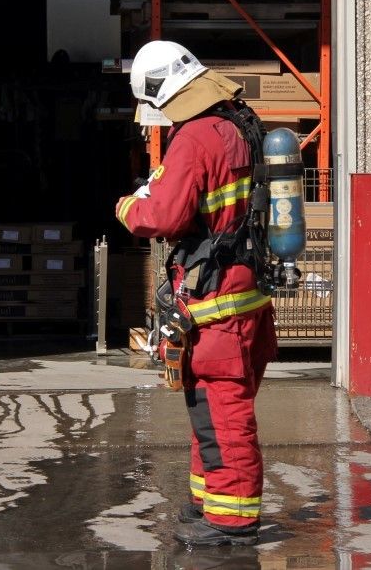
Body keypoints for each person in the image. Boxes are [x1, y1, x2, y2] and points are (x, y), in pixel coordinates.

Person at [115, 40, 278, 547]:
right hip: (247, 294)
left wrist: (127, 206)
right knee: (208, 409)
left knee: (222, 411)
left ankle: (232, 521)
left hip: (217, 302)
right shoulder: (241, 122)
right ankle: (207, 503)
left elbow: (163, 217)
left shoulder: (195, 137)